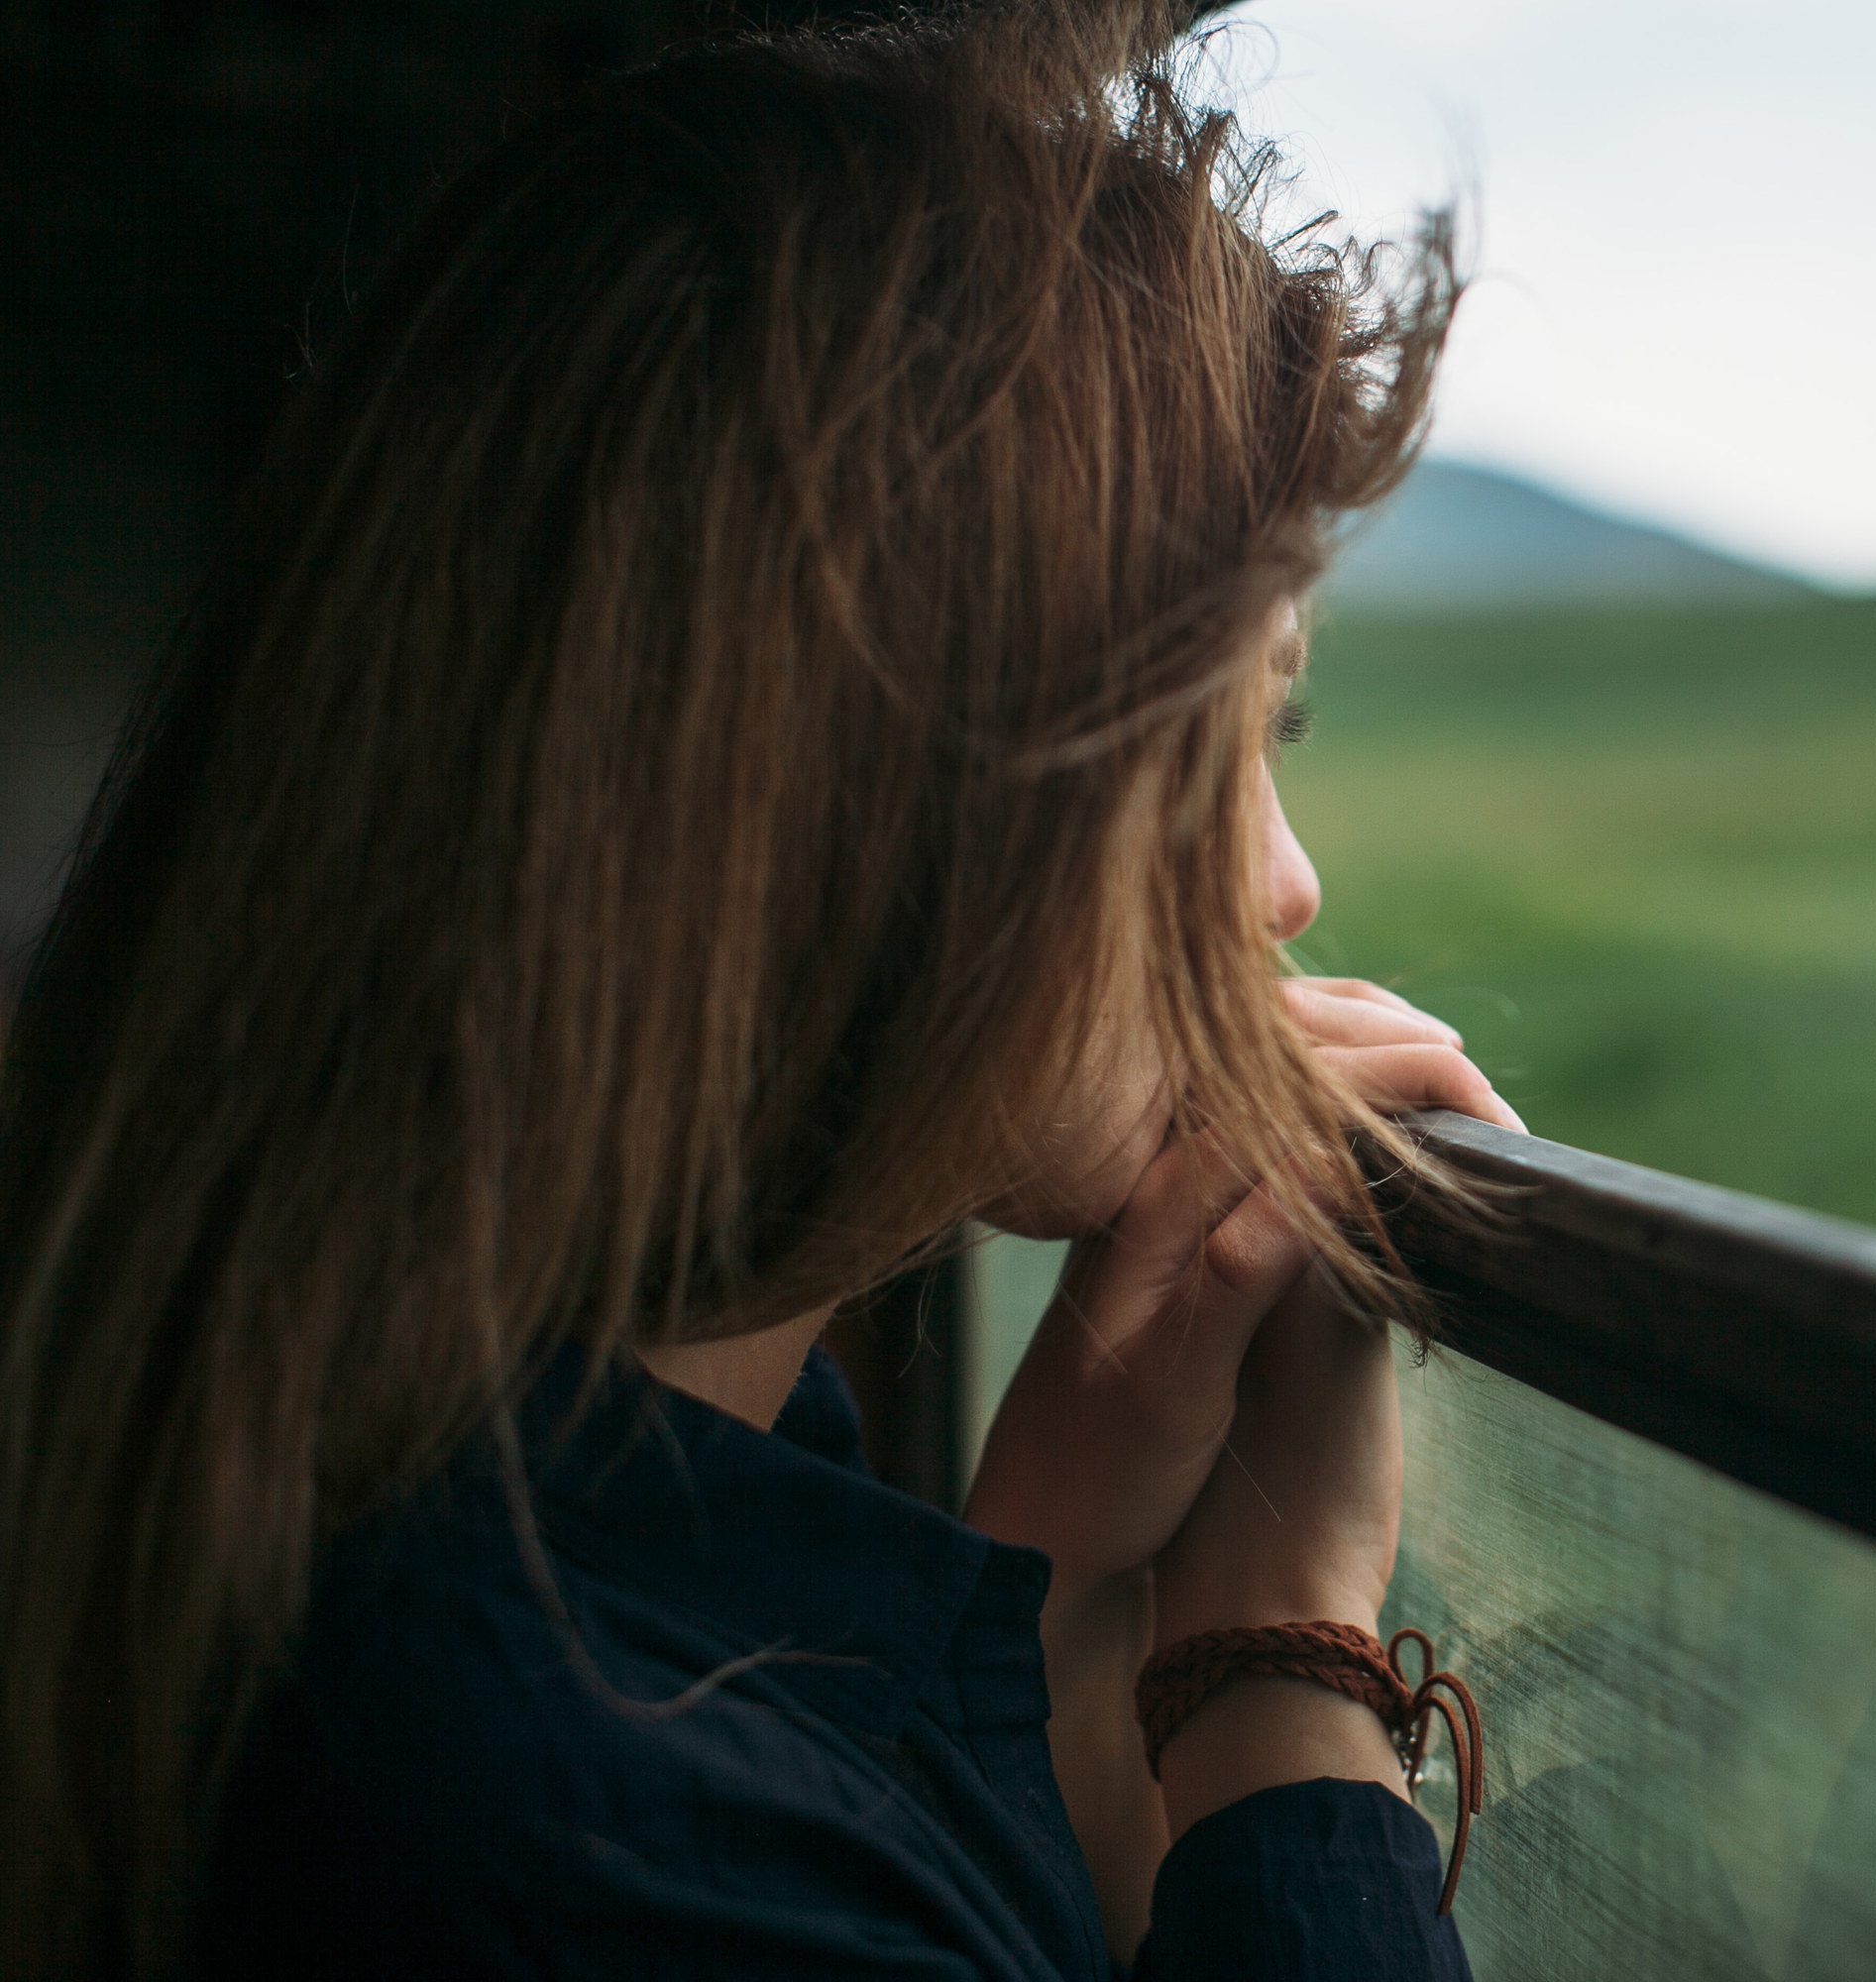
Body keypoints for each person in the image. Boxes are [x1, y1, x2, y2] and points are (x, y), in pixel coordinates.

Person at [0, 6, 1522, 1975]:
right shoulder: (574, 1834)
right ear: (878, 785)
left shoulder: (477, 1491)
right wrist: (1283, 1675)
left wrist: (1050, 1576)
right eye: (1208, 745)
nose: (1284, 880)